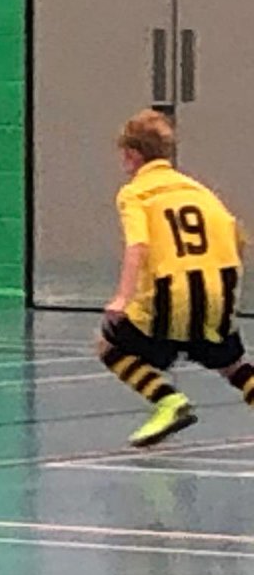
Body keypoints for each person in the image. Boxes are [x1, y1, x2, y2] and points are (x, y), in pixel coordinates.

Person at [99, 108, 254, 446]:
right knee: (232, 364)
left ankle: (169, 401)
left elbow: (137, 245)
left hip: (171, 301)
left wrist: (122, 300)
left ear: (132, 154)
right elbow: (236, 236)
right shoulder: (199, 191)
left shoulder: (135, 193)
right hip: (218, 297)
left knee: (109, 344)